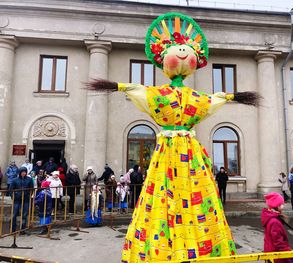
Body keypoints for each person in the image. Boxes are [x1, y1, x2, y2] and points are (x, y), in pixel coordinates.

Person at [86, 12, 260, 260]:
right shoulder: (161, 95)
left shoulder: (189, 98)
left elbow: (210, 100)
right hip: (173, 149)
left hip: (182, 150)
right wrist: (120, 87)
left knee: (185, 191)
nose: (181, 54)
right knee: (167, 193)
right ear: (163, 58)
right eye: (176, 50)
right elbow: (142, 92)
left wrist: (230, 97)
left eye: (185, 50)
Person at [261, 192, 293, 263]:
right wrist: (290, 254)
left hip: (271, 253)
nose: (283, 206)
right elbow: (279, 242)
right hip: (277, 256)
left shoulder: (270, 217)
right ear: (276, 206)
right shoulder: (274, 221)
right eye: (281, 204)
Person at [9, 167, 33, 234]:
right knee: (14, 214)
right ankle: (13, 229)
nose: (23, 173)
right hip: (17, 200)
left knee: (24, 215)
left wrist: (29, 195)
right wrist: (14, 196)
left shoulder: (29, 179)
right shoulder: (15, 180)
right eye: (22, 172)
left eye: (25, 172)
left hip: (26, 200)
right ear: (19, 172)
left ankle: (22, 230)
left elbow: (32, 189)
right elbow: (11, 190)